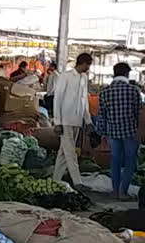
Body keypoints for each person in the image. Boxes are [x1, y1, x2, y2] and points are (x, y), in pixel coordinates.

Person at [97, 62, 142, 199]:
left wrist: (101, 133)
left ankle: (115, 191)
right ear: (127, 74)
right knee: (130, 161)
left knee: (115, 161)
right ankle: (123, 192)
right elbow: (139, 113)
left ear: (114, 73)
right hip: (131, 132)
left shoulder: (104, 92)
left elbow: (102, 116)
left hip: (113, 132)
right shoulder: (134, 90)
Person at [53, 53, 93, 188]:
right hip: (65, 120)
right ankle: (78, 182)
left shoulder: (84, 78)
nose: (88, 68)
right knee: (70, 152)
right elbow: (57, 99)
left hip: (77, 120)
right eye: (88, 64)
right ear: (83, 63)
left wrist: (88, 120)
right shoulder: (66, 76)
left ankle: (55, 180)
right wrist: (57, 122)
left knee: (63, 153)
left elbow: (84, 100)